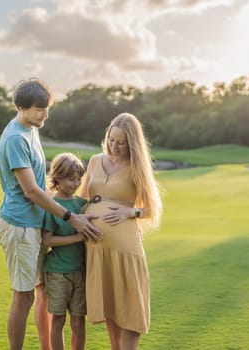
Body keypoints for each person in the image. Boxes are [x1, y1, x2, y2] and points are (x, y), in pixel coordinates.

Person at [0, 78, 101, 350]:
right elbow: (31, 190)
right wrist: (70, 217)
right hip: (19, 226)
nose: (45, 114)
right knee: (24, 296)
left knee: (39, 293)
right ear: (21, 107)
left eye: (47, 108)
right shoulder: (16, 139)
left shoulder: (32, 128)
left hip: (34, 223)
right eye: (39, 109)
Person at [80, 112, 162, 350]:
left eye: (121, 143)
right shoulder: (96, 160)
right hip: (96, 249)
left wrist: (130, 212)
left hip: (125, 250)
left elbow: (151, 209)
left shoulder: (137, 168)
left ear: (132, 144)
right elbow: (82, 198)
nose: (114, 147)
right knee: (110, 310)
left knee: (130, 308)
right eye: (111, 140)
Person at [41, 153, 88, 350]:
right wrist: (77, 237)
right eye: (71, 179)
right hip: (57, 272)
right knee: (58, 321)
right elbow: (47, 240)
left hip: (80, 272)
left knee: (78, 322)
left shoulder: (82, 205)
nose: (76, 183)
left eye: (79, 178)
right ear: (57, 178)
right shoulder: (52, 207)